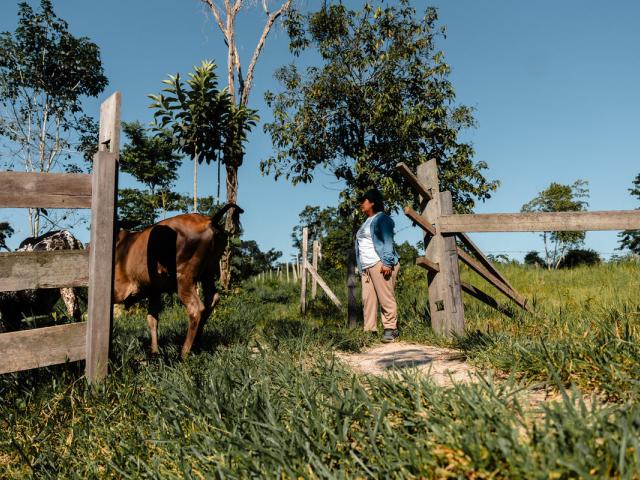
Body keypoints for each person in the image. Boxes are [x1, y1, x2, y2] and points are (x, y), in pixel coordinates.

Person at [355, 189, 400, 342]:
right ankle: (369, 331)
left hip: (380, 263)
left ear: (372, 202)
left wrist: (387, 262)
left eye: (364, 201)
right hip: (367, 267)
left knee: (385, 297)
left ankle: (390, 328)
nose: (361, 204)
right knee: (368, 300)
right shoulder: (367, 221)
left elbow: (388, 241)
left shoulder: (383, 219)